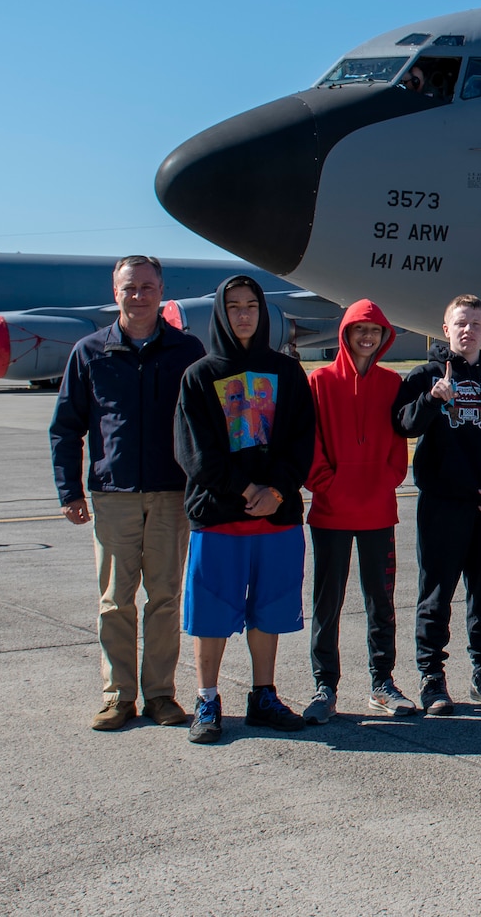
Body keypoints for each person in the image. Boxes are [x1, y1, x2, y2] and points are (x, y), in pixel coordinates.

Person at [49, 254, 206, 730]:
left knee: (164, 598)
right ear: (114, 291)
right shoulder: (90, 351)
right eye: (129, 288)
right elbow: (65, 426)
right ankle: (117, 695)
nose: (138, 296)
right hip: (112, 494)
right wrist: (69, 490)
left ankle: (160, 694)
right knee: (115, 600)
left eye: (147, 287)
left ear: (161, 291)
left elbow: (206, 423)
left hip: (169, 494)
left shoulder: (186, 350)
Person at [174, 275, 316, 744]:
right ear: (220, 312)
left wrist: (275, 490)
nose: (243, 315)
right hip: (219, 515)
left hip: (275, 516)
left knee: (270, 609)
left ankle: (263, 695)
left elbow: (301, 440)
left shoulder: (288, 372)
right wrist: (246, 489)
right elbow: (195, 453)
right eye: (233, 306)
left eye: (251, 305)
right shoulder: (200, 376)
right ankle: (207, 698)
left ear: (262, 311)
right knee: (211, 611)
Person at [395, 294, 481, 714]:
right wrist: (433, 399)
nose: (468, 331)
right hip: (442, 505)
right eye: (460, 324)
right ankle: (432, 678)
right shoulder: (425, 375)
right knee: (436, 594)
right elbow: (404, 425)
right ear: (445, 329)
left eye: (476, 324)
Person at [301, 299, 417, 723]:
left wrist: (382, 483)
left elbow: (396, 447)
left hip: (377, 511)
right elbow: (308, 444)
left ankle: (382, 683)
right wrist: (328, 486)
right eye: (359, 330)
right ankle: (324, 686)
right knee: (326, 602)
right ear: (345, 334)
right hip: (330, 511)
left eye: (375, 331)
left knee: (380, 601)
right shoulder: (320, 382)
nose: (367, 337)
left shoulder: (391, 384)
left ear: (385, 337)